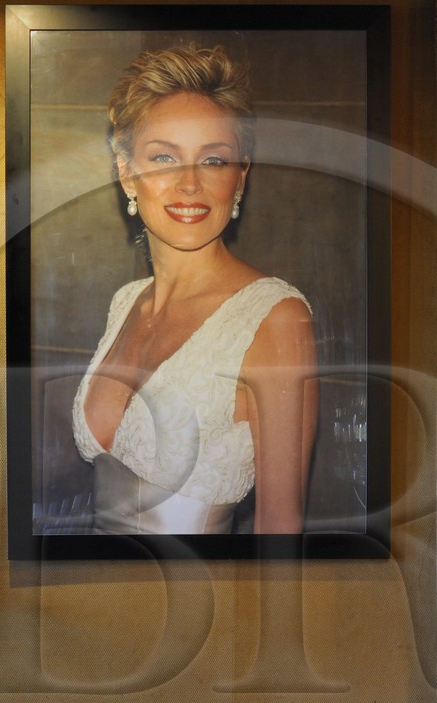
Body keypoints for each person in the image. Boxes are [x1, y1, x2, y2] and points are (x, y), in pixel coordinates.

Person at [72, 43, 317, 534]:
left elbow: (279, 536)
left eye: (213, 161)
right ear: (127, 172)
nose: (189, 185)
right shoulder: (127, 302)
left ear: (240, 176)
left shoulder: (275, 317)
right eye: (163, 157)